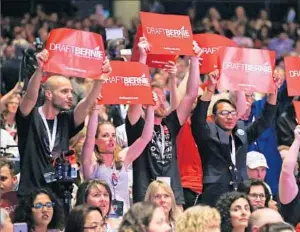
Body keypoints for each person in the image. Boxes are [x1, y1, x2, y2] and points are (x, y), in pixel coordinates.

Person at [15, 49, 111, 199]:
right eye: (64, 91)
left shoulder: (65, 120)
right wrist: (40, 70)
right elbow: (30, 96)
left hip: (57, 196)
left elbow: (86, 104)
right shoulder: (30, 116)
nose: (70, 96)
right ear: (48, 94)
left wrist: (100, 79)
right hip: (30, 195)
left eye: (71, 92)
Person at [125, 38, 201, 205]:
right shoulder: (136, 126)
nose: (160, 101)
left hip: (173, 194)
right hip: (146, 196)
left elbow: (191, 94)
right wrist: (143, 58)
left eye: (161, 97)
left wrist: (194, 59)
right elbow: (136, 93)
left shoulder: (170, 124)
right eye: (155, 97)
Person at [191, 70, 280, 206]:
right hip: (214, 195)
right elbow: (198, 119)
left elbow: (265, 120)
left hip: (240, 194)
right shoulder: (208, 135)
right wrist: (210, 89)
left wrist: (274, 91)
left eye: (233, 113)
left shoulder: (241, 135)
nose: (229, 116)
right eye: (224, 113)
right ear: (214, 118)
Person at [81, 103, 154, 214]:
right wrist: (95, 110)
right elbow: (89, 137)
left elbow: (145, 138)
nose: (111, 139)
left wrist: (150, 109)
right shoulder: (91, 163)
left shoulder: (122, 158)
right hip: (100, 220)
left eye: (113, 135)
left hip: (124, 220)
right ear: (96, 140)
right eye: (105, 135)